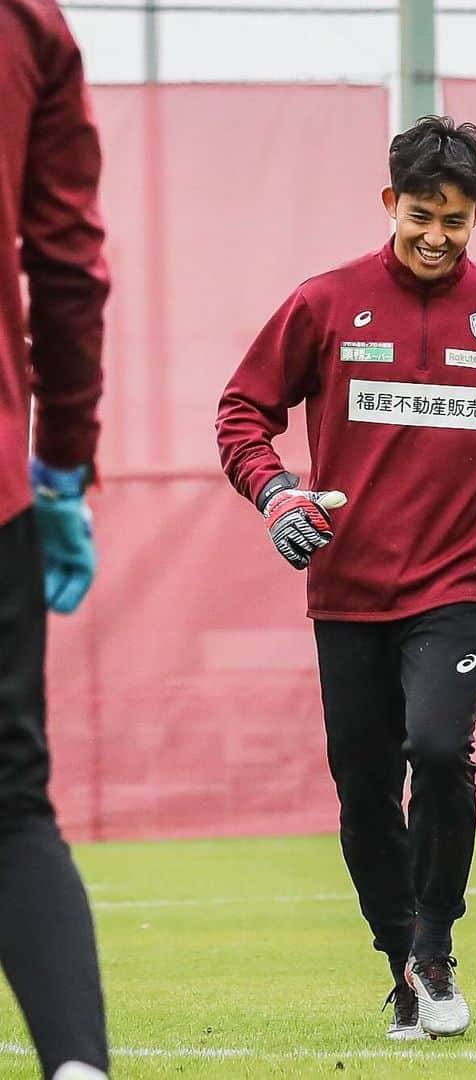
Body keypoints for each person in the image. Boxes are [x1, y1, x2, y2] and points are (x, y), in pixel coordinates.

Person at [216, 116, 476, 1041]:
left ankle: (435, 945)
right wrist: (278, 497)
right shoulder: (326, 302)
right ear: (391, 203)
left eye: (454, 222)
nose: (435, 236)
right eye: (421, 215)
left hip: (460, 577)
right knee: (363, 781)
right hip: (347, 583)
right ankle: (401, 963)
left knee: (437, 749)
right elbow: (241, 413)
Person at [0, 2, 111, 1077]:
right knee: (9, 805)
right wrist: (61, 462)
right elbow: (66, 261)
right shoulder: (29, 24)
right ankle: (76, 1066)